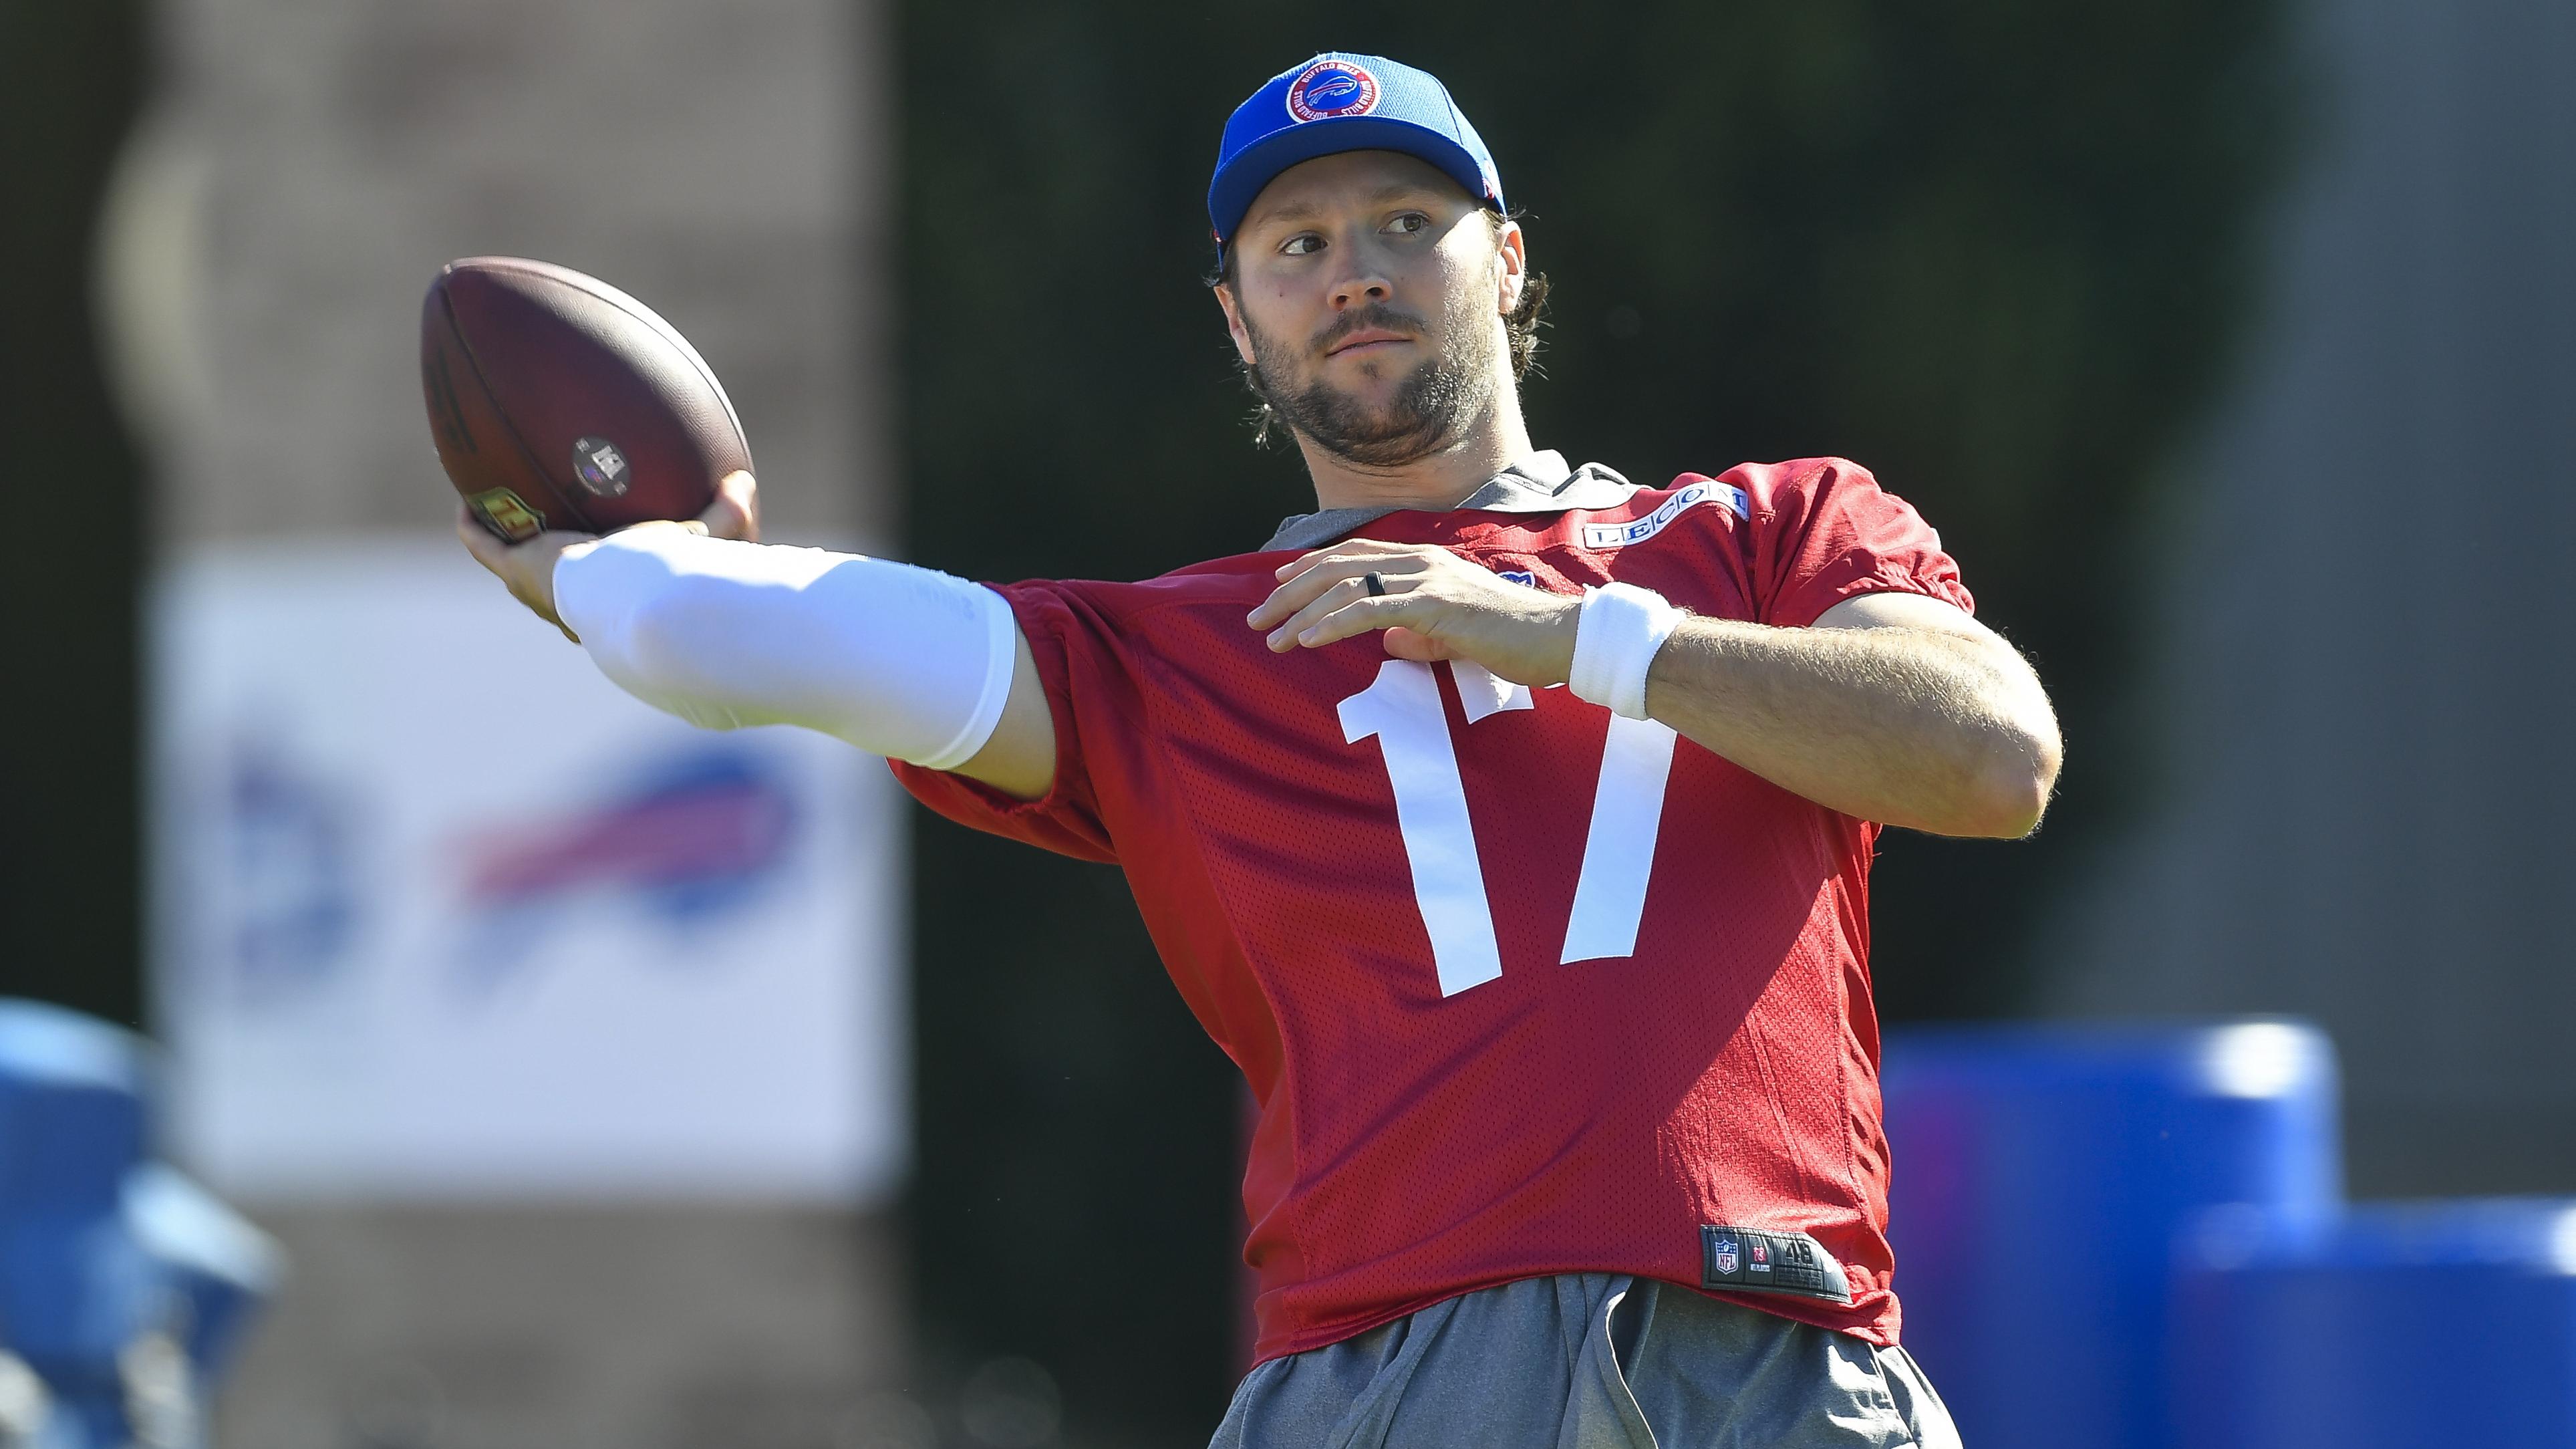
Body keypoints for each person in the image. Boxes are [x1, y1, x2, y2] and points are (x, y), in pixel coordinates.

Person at [464, 50, 2057, 1448]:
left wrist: (1569, 630)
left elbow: (1992, 758)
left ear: (1506, 262)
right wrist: (605, 565)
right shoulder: (1179, 655)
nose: (1352, 270)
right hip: (1388, 1377)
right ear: (1236, 319)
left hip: (1771, 1348)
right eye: (1297, 243)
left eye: (1402, 225)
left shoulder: (1763, 530)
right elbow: (744, 633)